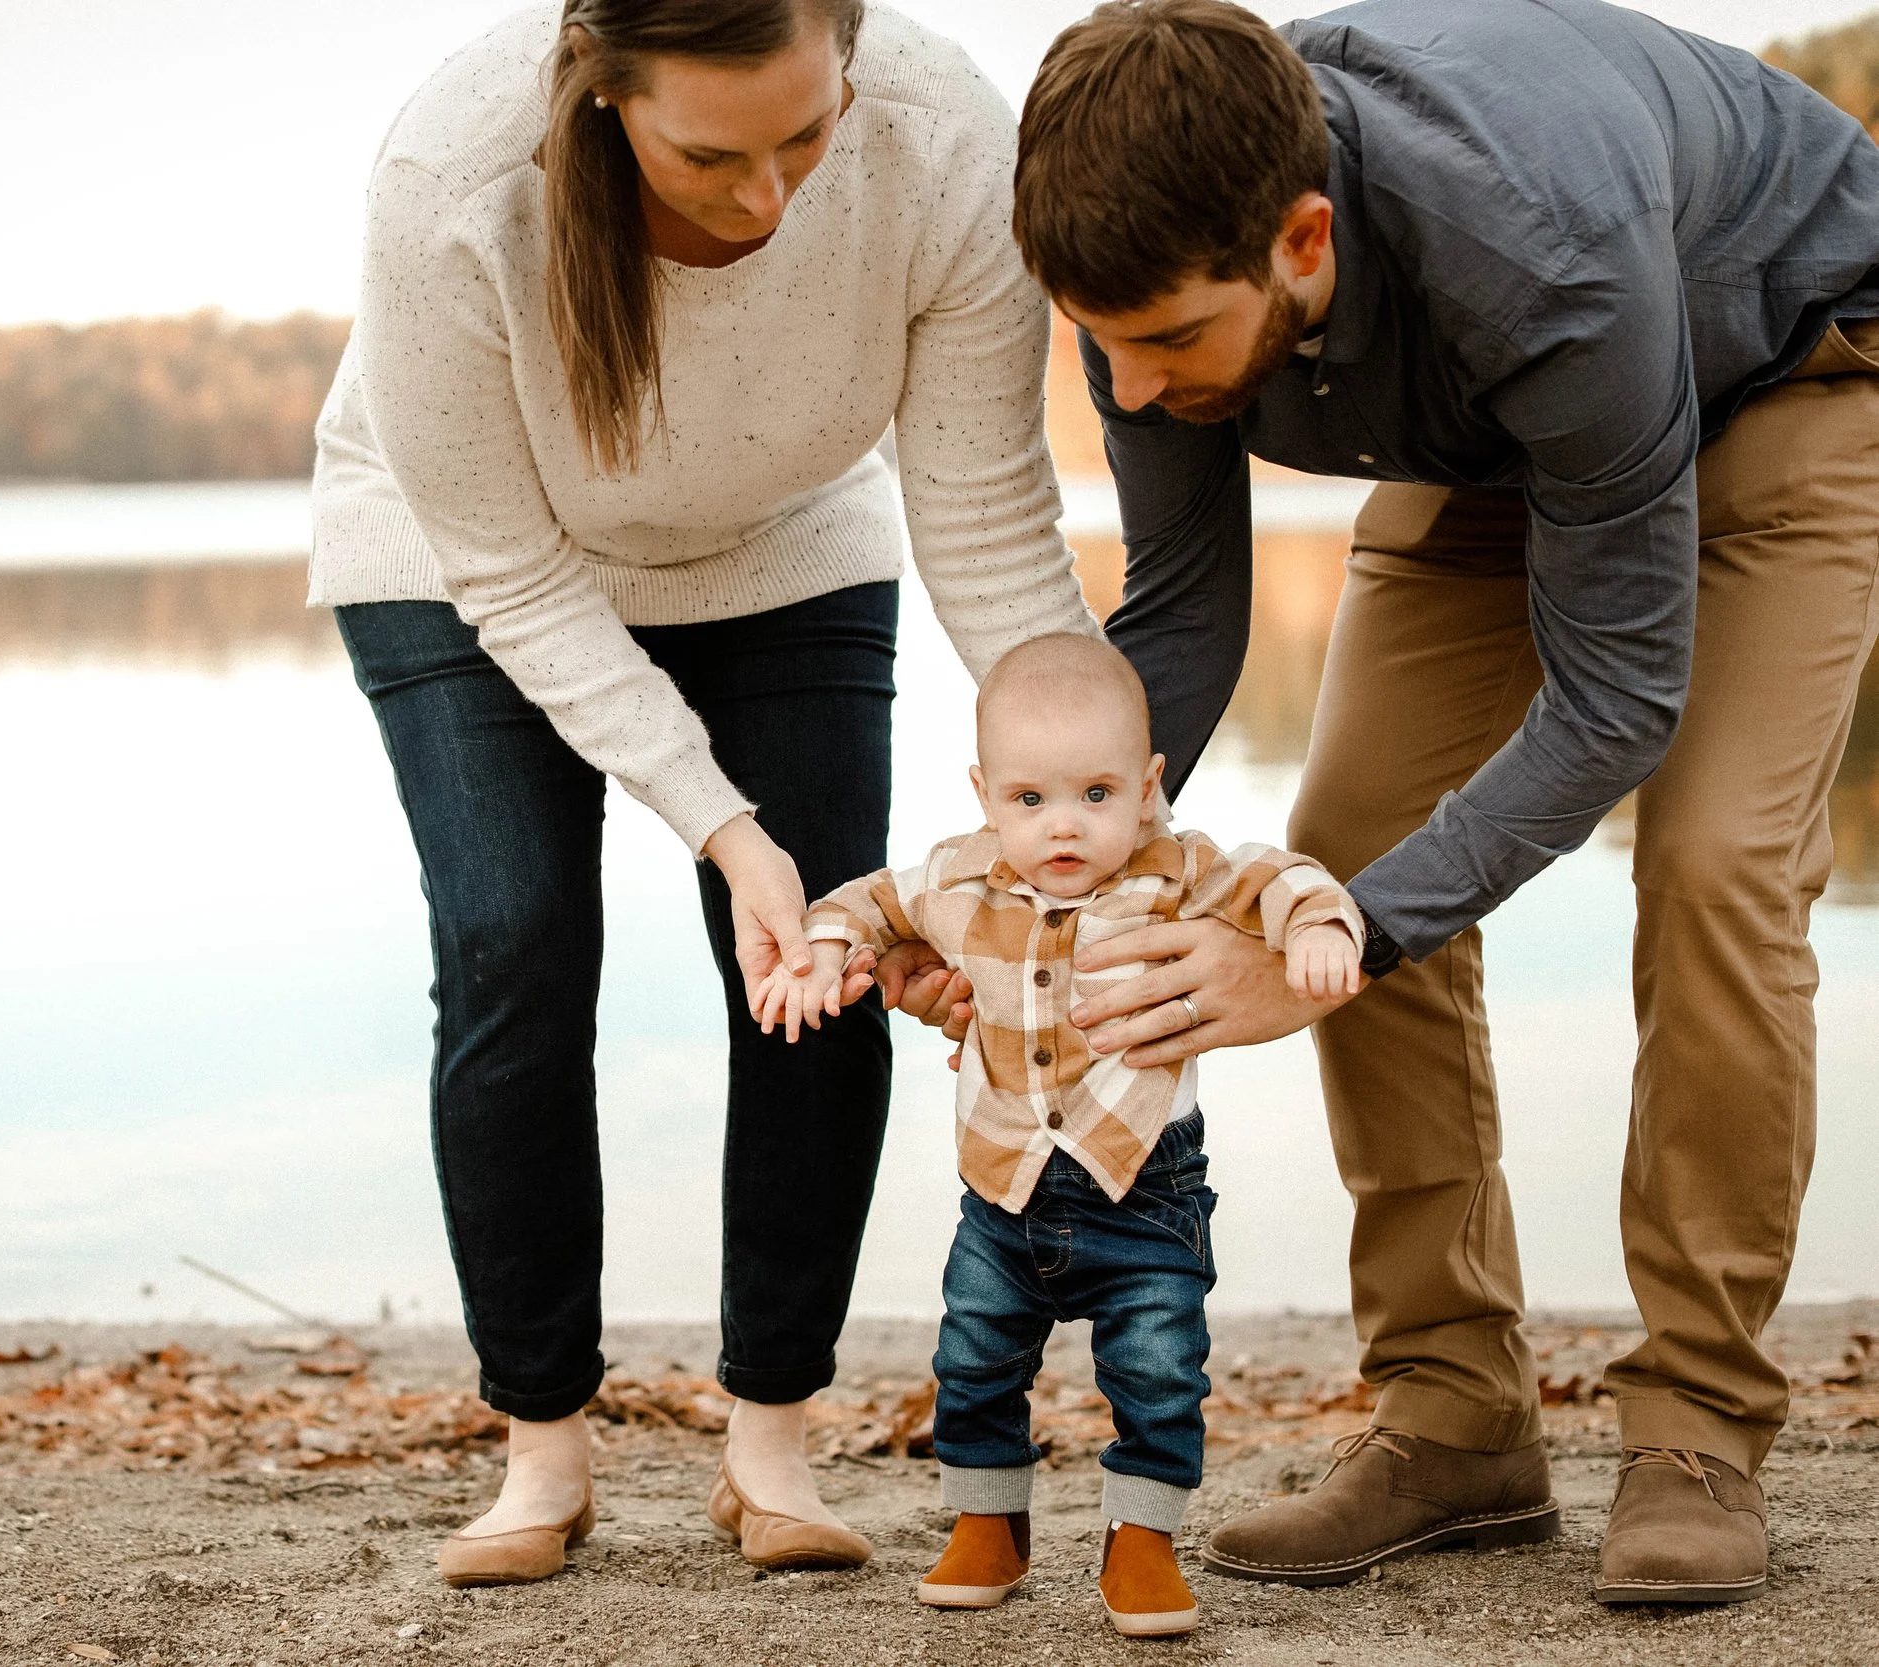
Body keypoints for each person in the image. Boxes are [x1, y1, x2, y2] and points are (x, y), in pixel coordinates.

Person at [978, 0, 1879, 1609]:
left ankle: (1699, 1426)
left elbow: (1620, 697)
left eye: (1173, 340)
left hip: (1787, 379)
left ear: (1304, 239)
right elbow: (1180, 618)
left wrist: (1355, 936)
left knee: (1718, 863)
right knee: (1333, 849)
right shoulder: (1149, 239)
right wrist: (1021, 888)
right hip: (1500, 439)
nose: (1132, 381)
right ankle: (1456, 1416)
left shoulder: (1545, 253)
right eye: (1098, 343)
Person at [311, 0, 1093, 1585]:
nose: (772, 197)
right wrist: (722, 828)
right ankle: (542, 1449)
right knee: (514, 935)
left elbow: (994, 528)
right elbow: (516, 579)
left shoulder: (945, 139)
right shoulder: (455, 175)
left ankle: (771, 1441)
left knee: (824, 951)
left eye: (808, 134)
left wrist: (1086, 826)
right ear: (604, 96)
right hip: (470, 564)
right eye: (711, 154)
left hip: (788, 543)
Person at [763, 632, 1361, 1637]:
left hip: (1147, 1185)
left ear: (1146, 784)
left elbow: (1279, 871)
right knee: (974, 1357)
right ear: (985, 792)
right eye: (1030, 800)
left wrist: (1318, 928)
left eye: (1096, 793)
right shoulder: (957, 880)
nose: (1064, 826)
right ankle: (988, 1522)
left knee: (1159, 1366)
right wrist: (824, 952)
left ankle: (1142, 1540)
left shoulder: (1179, 873)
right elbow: (867, 900)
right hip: (1002, 1192)